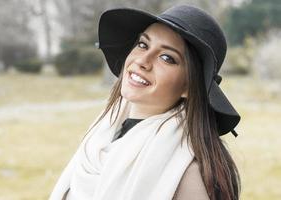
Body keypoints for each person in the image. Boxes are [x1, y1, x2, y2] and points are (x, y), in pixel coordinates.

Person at [49, 5, 241, 200]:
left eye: (167, 58)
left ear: (189, 87)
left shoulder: (187, 175)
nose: (143, 60)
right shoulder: (99, 138)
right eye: (143, 44)